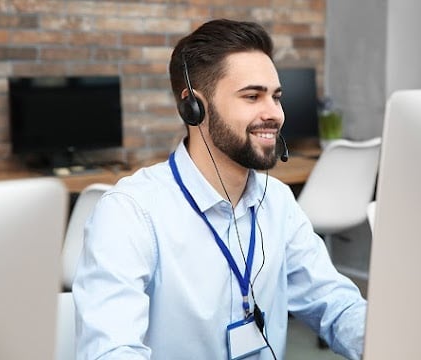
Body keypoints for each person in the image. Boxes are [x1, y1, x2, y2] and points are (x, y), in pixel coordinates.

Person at [73, 18, 366, 360]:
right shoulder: (131, 213)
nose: (275, 113)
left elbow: (335, 303)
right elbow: (111, 352)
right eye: (252, 96)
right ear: (194, 107)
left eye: (276, 97)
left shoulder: (278, 201)